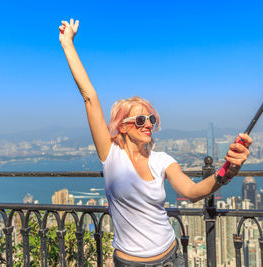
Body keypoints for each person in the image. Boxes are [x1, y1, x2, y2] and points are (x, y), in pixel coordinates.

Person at [59, 18, 252, 267]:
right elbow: (89, 97)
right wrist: (68, 45)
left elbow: (191, 192)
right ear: (123, 126)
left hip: (171, 257)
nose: (148, 123)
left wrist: (227, 172)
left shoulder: (162, 160)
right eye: (140, 119)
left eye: (150, 118)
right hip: (131, 262)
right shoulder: (110, 155)